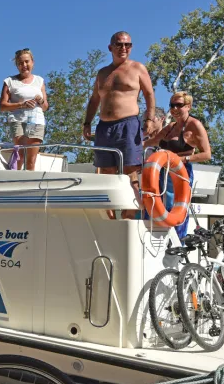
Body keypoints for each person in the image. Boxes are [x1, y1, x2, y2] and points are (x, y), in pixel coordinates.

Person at [82, 31, 157, 217]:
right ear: (110, 47)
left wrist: (149, 119)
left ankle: (128, 219)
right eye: (119, 44)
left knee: (130, 173)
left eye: (127, 45)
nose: (123, 48)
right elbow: (94, 100)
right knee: (106, 173)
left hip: (128, 125)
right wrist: (87, 123)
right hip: (104, 127)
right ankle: (110, 220)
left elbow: (149, 94)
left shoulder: (138, 68)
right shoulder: (102, 73)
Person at [144, 92, 212, 239]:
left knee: (176, 210)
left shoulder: (195, 125)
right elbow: (152, 141)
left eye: (179, 105)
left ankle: (178, 245)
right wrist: (130, 144)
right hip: (162, 172)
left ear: (188, 106)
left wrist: (182, 159)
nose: (174, 108)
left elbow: (206, 154)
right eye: (172, 105)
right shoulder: (170, 127)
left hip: (180, 173)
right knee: (154, 207)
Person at [0, 48, 48, 170]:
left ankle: (30, 186)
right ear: (17, 65)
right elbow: (2, 106)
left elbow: (45, 107)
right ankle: (14, 182)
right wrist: (22, 105)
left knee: (31, 160)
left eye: (27, 62)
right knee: (20, 155)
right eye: (20, 63)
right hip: (18, 120)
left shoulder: (39, 81)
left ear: (32, 62)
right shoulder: (9, 81)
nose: (24, 65)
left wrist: (41, 101)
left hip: (36, 121)